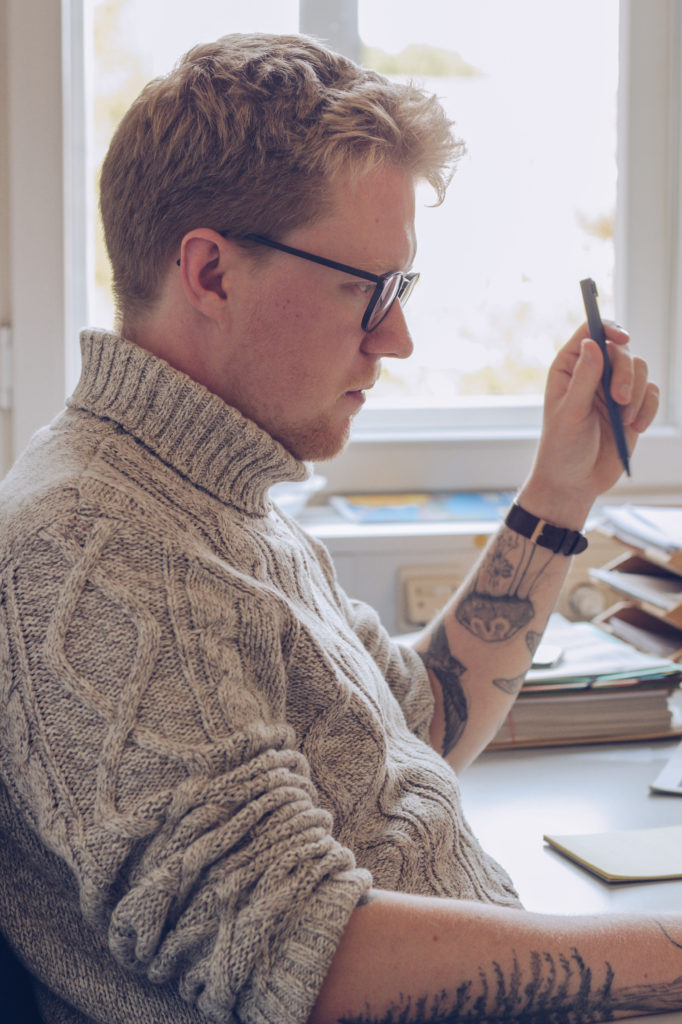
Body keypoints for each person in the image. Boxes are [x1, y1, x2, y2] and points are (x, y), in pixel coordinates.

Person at [0, 31, 679, 1024]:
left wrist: (560, 493)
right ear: (211, 273)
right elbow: (301, 958)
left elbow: (425, 720)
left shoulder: (223, 504)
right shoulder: (93, 547)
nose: (396, 337)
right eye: (370, 288)